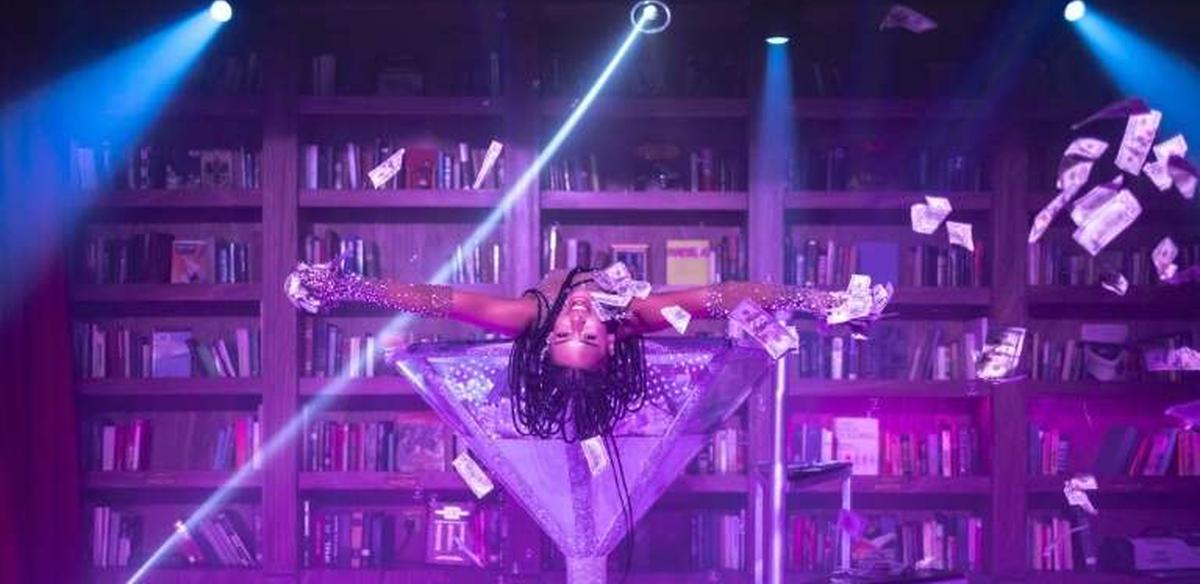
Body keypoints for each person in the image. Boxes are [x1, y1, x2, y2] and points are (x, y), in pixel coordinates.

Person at [285, 258, 892, 442]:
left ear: (545, 339)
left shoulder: (527, 317)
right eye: (590, 334)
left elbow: (434, 300)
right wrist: (825, 303)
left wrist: (345, 287)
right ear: (613, 340)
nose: (577, 317)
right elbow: (728, 297)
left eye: (565, 334)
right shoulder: (632, 318)